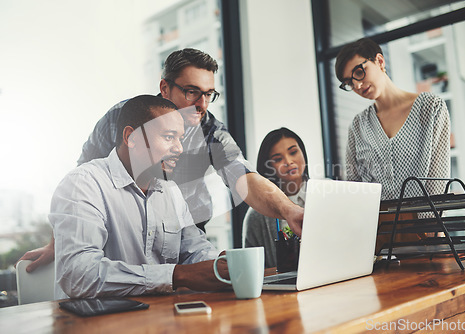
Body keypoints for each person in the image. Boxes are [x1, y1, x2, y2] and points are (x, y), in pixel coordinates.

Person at [18, 48, 304, 273]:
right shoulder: (124, 118)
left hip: (181, 238)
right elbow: (82, 185)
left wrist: (289, 210)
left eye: (208, 94)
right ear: (165, 88)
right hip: (121, 240)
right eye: (191, 91)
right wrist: (64, 240)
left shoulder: (211, 131)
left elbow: (245, 179)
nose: (201, 104)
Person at [51, 95, 229, 298]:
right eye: (169, 137)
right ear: (131, 137)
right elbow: (78, 276)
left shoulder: (171, 191)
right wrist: (176, 275)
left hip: (156, 319)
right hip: (92, 323)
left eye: (181, 138)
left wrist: (222, 263)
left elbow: (194, 250)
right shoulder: (83, 184)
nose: (179, 148)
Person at [335, 38, 450, 200]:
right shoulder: (358, 125)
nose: (357, 86)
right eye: (349, 83)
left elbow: (438, 182)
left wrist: (427, 224)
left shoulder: (430, 107)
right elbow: (355, 188)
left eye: (359, 72)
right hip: (378, 224)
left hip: (426, 223)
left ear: (380, 61)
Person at [242, 128, 308, 268]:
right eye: (278, 159)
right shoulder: (256, 215)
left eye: (293, 152)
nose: (288, 161)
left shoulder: (325, 194)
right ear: (269, 166)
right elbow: (253, 268)